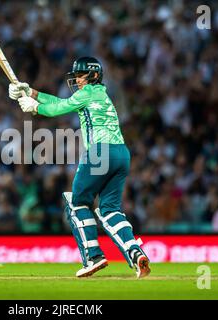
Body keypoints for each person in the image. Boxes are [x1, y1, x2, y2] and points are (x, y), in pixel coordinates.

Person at [8, 57, 150, 278]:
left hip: (100, 152)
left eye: (80, 75)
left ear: (93, 76)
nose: (76, 79)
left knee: (76, 203)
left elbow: (57, 109)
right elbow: (62, 102)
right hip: (121, 154)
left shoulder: (87, 92)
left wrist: (35, 107)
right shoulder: (99, 94)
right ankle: (135, 253)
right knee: (109, 210)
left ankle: (93, 257)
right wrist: (32, 93)